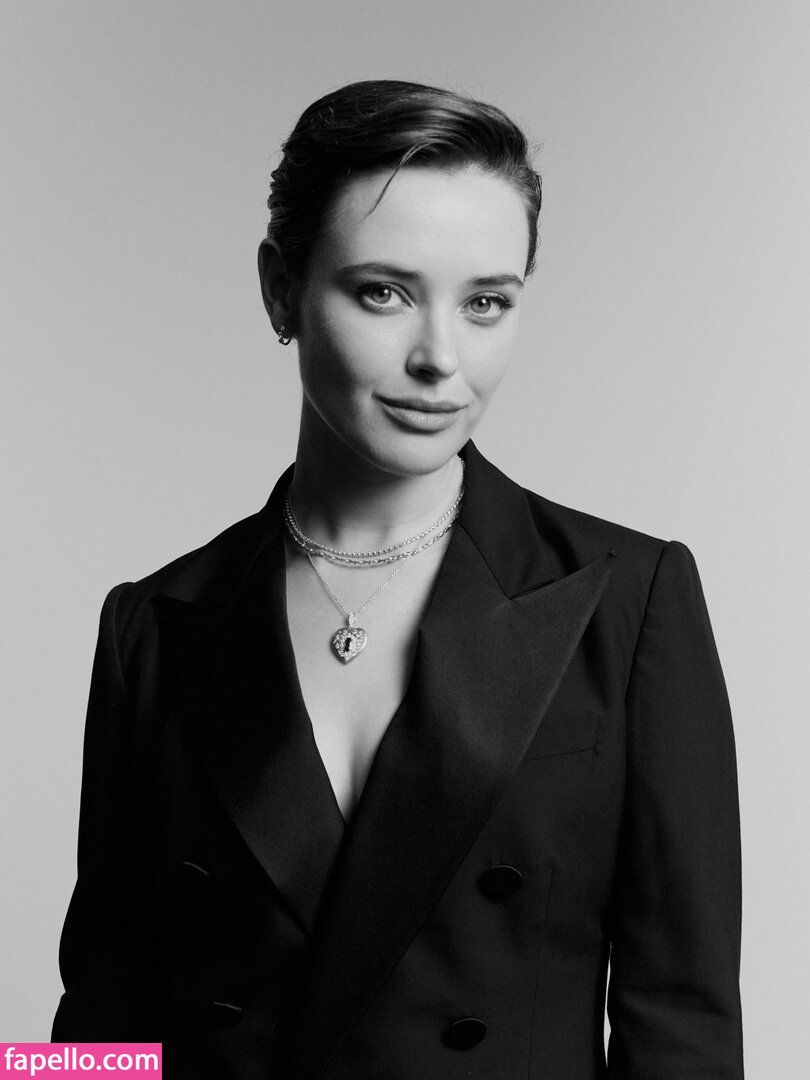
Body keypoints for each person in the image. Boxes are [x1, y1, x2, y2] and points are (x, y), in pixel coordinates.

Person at [52, 80, 744, 1079]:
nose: (440, 359)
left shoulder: (628, 597)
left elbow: (685, 1025)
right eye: (384, 292)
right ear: (281, 289)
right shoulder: (153, 623)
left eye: (487, 303)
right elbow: (94, 1026)